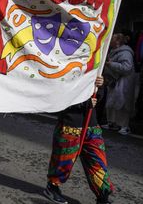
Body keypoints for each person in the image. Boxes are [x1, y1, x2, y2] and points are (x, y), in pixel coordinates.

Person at [44, 76, 113, 204]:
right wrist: (83, 103)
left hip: (92, 126)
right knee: (62, 162)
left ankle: (103, 196)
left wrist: (101, 85)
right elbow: (58, 96)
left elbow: (100, 100)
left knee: (98, 163)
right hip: (70, 125)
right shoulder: (65, 67)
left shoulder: (94, 69)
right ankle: (52, 188)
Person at [103, 33, 136, 135]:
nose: (110, 41)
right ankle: (112, 123)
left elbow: (127, 67)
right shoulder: (114, 50)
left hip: (124, 82)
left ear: (117, 42)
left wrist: (110, 64)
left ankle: (124, 126)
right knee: (112, 103)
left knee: (122, 104)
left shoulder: (126, 53)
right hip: (114, 80)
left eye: (112, 39)